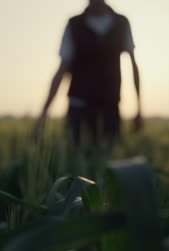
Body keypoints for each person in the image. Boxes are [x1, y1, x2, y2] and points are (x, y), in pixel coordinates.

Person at [34, 0, 143, 145]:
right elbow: (62, 70)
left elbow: (133, 66)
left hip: (110, 108)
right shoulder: (74, 24)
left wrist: (139, 109)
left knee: (110, 161)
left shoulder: (121, 23)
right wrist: (43, 115)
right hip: (78, 109)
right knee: (76, 158)